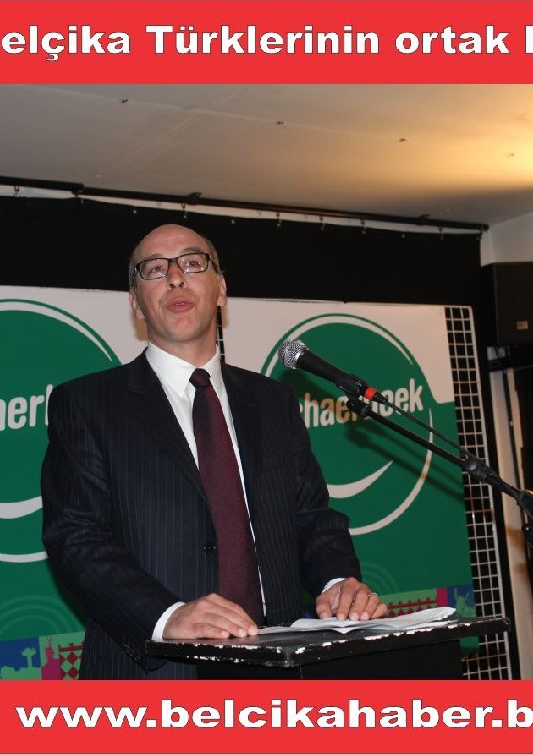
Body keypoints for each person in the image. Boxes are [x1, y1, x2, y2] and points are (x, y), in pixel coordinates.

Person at [41, 223, 387, 679]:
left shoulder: (273, 402)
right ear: (136, 303)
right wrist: (166, 617)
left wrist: (336, 580)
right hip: (157, 675)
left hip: (277, 669)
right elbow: (75, 537)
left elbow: (310, 517)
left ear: (221, 289)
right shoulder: (87, 404)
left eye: (192, 263)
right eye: (154, 269)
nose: (175, 278)